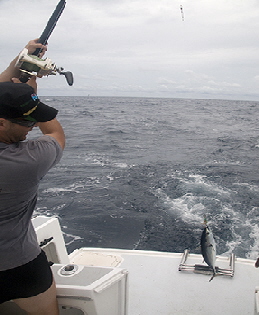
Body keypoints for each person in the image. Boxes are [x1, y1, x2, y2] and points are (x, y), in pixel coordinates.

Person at [0, 39, 65, 314]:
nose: (30, 127)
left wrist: (23, 58)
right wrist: (32, 97)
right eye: (26, 121)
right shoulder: (26, 161)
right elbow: (56, 135)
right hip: (20, 268)